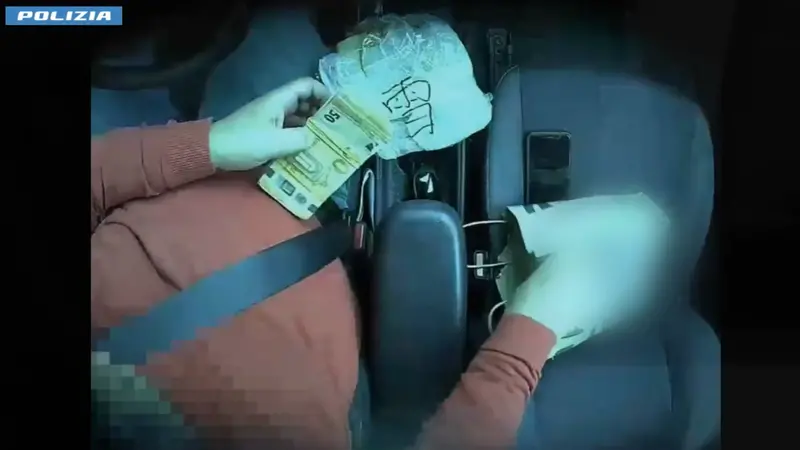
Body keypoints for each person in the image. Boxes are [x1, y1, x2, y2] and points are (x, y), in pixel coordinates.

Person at [91, 76, 664, 449]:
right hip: (340, 295)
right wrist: (531, 332)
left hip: (229, 164)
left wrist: (213, 142)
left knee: (282, 38)